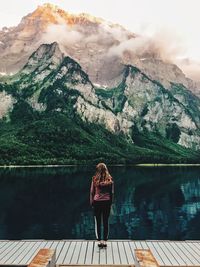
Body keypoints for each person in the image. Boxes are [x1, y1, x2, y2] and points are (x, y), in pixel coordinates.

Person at [90, 162, 114, 248]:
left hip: (97, 202)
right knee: (105, 221)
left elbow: (92, 192)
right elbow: (111, 193)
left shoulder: (94, 179)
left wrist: (92, 202)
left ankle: (99, 240)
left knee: (98, 222)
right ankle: (105, 240)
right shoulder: (109, 180)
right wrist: (111, 202)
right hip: (106, 202)